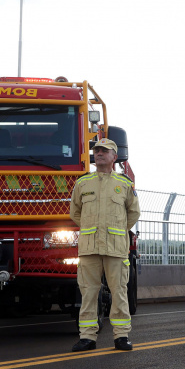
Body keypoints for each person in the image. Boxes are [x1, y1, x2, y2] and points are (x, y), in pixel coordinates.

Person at [70, 136, 140, 352]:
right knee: (88, 292)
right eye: (97, 150)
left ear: (114, 157)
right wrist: (93, 229)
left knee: (119, 291)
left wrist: (116, 231)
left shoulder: (125, 184)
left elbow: (133, 213)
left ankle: (121, 336)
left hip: (116, 247)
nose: (99, 153)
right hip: (90, 247)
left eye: (104, 151)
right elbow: (75, 213)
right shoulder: (82, 183)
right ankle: (87, 337)